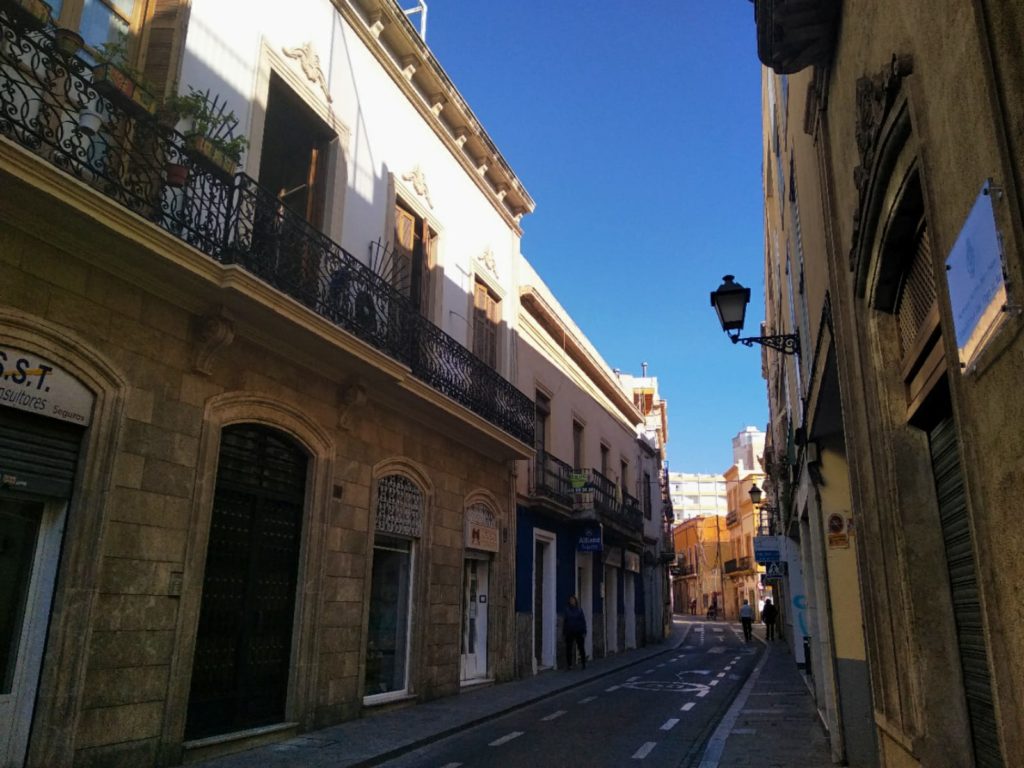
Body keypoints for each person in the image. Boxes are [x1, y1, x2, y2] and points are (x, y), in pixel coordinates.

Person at [564, 595, 587, 669]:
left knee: (581, 648)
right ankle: (569, 664)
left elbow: (583, 621)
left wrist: (584, 631)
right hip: (570, 631)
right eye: (570, 600)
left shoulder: (579, 610)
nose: (572, 601)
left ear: (575, 601)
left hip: (578, 631)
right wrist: (564, 631)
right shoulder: (567, 610)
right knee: (569, 649)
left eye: (573, 600)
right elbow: (565, 621)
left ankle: (583, 663)